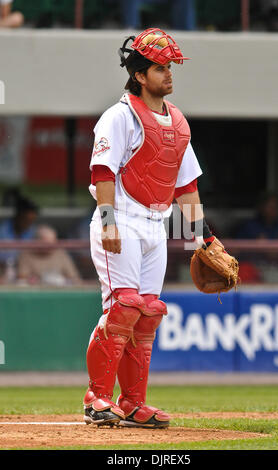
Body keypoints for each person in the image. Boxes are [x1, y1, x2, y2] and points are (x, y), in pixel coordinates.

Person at [83, 28, 225, 428]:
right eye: (161, 68)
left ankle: (132, 403)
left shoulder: (177, 123)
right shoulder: (119, 115)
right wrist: (108, 221)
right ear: (140, 75)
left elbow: (186, 187)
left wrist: (205, 239)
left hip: (156, 224)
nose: (169, 74)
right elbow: (102, 171)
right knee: (124, 307)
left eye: (170, 67)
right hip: (121, 219)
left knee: (147, 314)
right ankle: (96, 398)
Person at [17, 224, 81, 286]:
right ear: (38, 242)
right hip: (36, 293)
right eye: (47, 243)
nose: (52, 246)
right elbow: (22, 279)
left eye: (53, 242)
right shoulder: (26, 254)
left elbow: (74, 278)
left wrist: (61, 280)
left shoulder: (61, 254)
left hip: (60, 292)